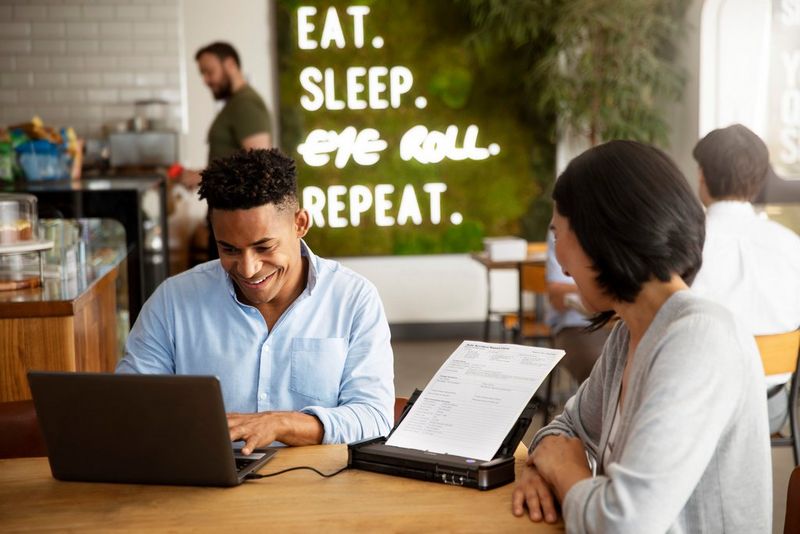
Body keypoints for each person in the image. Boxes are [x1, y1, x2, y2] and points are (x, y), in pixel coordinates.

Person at [512, 141, 771, 532]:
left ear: (600, 234)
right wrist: (540, 472)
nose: (559, 258)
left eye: (557, 234)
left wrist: (565, 475)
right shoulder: (630, 333)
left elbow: (624, 523)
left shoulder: (700, 340)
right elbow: (562, 431)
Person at [118, 149, 395, 453]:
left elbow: (374, 417)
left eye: (264, 247)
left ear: (300, 223)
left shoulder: (353, 299)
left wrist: (280, 424)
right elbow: (131, 407)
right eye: (229, 250)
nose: (248, 269)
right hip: (205, 490)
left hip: (317, 489)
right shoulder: (173, 302)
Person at [691, 124, 800, 434]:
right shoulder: (792, 244)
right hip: (773, 409)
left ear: (702, 176)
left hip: (704, 408)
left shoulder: (687, 246)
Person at [184, 42, 273, 260]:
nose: (206, 79)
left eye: (209, 71)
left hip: (237, 224)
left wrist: (201, 176)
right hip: (228, 219)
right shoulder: (235, 104)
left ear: (231, 64)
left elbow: (260, 166)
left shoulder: (246, 105)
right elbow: (235, 162)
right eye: (202, 74)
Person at [545, 230, 609, 384]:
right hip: (576, 325)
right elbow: (557, 296)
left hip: (624, 323)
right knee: (602, 372)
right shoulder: (564, 223)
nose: (566, 271)